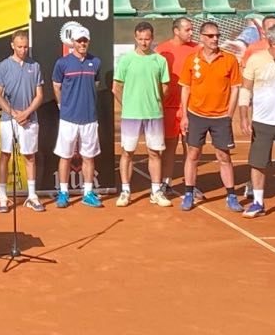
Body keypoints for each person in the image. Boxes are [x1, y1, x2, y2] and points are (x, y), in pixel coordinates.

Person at [179, 21, 242, 212]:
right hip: (196, 115)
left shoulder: (229, 59)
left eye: (217, 36)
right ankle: (189, 193)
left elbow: (235, 88)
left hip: (221, 117)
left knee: (224, 155)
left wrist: (229, 114)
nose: (215, 39)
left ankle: (231, 195)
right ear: (202, 37)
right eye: (211, 36)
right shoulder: (192, 59)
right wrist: (184, 115)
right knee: (193, 153)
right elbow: (185, 88)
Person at [113, 22, 172, 208]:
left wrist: (154, 100)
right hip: (131, 115)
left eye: (147, 39)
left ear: (152, 38)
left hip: (154, 114)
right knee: (127, 152)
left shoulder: (160, 61)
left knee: (154, 152)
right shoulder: (126, 60)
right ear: (135, 38)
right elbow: (116, 87)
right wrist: (128, 104)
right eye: (140, 39)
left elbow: (165, 87)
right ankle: (125, 191)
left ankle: (156, 191)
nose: (144, 42)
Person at [0, 30, 45, 214]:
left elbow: (39, 95)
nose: (23, 50)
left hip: (30, 119)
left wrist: (27, 113)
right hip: (9, 120)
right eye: (20, 47)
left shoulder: (35, 66)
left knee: (30, 156)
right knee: (5, 155)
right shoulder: (4, 66)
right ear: (12, 46)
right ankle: (3, 197)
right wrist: (14, 114)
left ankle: (32, 196)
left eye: (25, 47)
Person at [52, 26, 103, 208]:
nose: (82, 44)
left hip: (90, 118)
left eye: (85, 41)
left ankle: (88, 193)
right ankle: (63, 193)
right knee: (65, 156)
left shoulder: (95, 62)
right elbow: (56, 86)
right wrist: (62, 105)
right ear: (72, 42)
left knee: (88, 157)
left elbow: (96, 84)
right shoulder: (62, 63)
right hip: (68, 119)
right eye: (79, 41)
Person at [239, 23, 275, 218]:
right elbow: (245, 89)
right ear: (274, 43)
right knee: (258, 163)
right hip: (261, 122)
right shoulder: (255, 60)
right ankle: (258, 202)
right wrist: (244, 117)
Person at [154, 17, 200, 198]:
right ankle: (166, 183)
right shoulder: (161, 50)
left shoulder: (197, 49)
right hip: (169, 107)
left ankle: (191, 185)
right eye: (187, 29)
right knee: (169, 146)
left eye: (191, 29)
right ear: (176, 31)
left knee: (191, 147)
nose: (191, 33)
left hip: (191, 107)